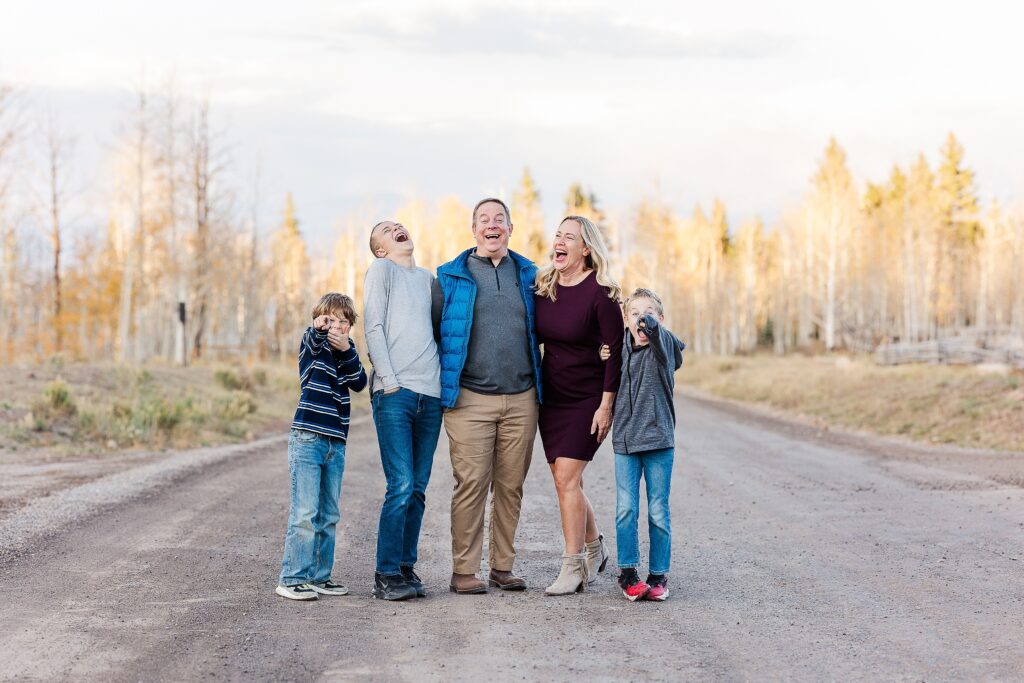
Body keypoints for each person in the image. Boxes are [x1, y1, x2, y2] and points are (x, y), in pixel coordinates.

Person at [431, 197, 542, 594]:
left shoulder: (532, 276)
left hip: (523, 398)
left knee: (511, 487)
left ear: (510, 228)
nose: (492, 225)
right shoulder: (449, 277)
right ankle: (464, 571)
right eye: (484, 219)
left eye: (500, 219)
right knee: (472, 484)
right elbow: (432, 334)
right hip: (469, 400)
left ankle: (503, 567)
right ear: (473, 229)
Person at [534, 215, 623, 595]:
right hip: (551, 398)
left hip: (588, 399)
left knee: (566, 479)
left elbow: (615, 352)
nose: (560, 241)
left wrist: (606, 407)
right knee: (567, 481)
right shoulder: (544, 288)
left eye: (569, 237)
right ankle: (594, 545)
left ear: (585, 248)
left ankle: (573, 567)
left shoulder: (601, 294)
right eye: (558, 235)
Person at [363, 220, 443, 601]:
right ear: (380, 248)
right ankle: (386, 572)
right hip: (395, 393)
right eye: (387, 229)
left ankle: (406, 568)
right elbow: (373, 326)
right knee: (401, 484)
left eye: (399, 225)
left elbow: (440, 331)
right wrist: (390, 381)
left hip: (431, 395)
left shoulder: (428, 279)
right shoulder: (382, 270)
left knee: (419, 489)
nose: (398, 228)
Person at [276, 292, 368, 601]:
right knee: (305, 512)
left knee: (329, 514)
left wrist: (346, 351)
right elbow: (314, 340)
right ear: (320, 320)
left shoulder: (348, 351)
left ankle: (319, 576)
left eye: (344, 322)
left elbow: (359, 382)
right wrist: (319, 329)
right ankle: (292, 578)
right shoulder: (311, 345)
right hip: (308, 438)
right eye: (331, 320)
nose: (337, 327)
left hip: (335, 443)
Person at [608, 288, 685, 601]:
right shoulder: (620, 349)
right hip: (625, 442)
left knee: (657, 510)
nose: (642, 319)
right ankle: (628, 573)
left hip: (658, 442)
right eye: (634, 313)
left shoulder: (662, 345)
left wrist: (647, 323)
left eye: (649, 312)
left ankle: (658, 575)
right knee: (626, 509)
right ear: (625, 321)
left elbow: (655, 332)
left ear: (661, 319)